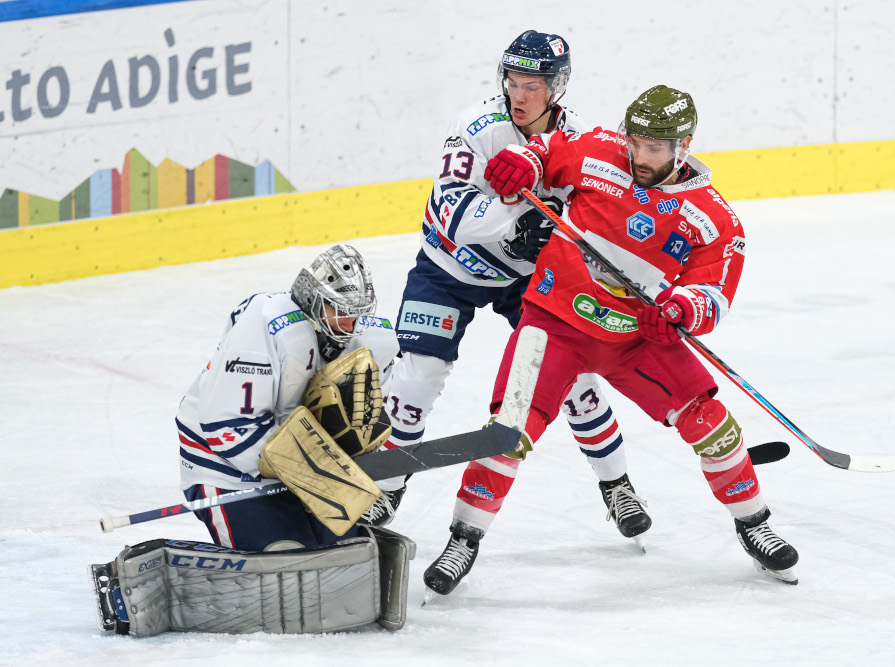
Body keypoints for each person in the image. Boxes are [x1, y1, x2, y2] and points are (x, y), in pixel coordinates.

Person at [423, 85, 800, 595]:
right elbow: (544, 153)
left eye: (654, 148)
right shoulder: (599, 151)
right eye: (635, 142)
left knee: (713, 424)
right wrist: (520, 163)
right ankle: (463, 540)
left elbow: (714, 292)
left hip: (637, 338)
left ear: (682, 145)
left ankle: (754, 524)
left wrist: (682, 309)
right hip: (555, 322)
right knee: (508, 431)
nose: (640, 156)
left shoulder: (713, 219)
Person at [365, 30, 652, 546]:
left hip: (525, 281)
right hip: (448, 269)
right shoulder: (477, 125)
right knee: (416, 379)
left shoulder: (581, 139)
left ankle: (619, 484)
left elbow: (597, 215)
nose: (519, 96)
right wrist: (515, 226)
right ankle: (388, 483)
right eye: (513, 82)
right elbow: (450, 207)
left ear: (557, 87)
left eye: (533, 85)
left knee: (575, 383)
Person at [91, 244, 417, 637]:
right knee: (284, 563)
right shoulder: (264, 331)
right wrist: (327, 482)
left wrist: (364, 475)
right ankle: (153, 573)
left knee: (339, 559)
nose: (349, 322)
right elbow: (224, 425)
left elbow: (370, 421)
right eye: (338, 310)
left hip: (303, 465)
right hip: (226, 470)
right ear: (314, 300)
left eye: (356, 312)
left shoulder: (370, 340)